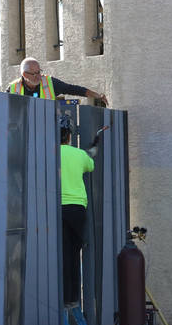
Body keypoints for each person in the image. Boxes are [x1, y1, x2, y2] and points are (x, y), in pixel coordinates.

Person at [59, 112, 95, 305]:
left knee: (60, 252)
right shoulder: (80, 155)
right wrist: (89, 153)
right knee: (74, 252)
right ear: (70, 135)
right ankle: (73, 297)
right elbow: (91, 165)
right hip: (77, 210)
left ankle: (61, 294)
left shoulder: (49, 152)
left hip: (57, 208)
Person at [6, 57, 108, 106]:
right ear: (24, 75)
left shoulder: (50, 82)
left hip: (47, 126)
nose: (38, 76)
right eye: (34, 74)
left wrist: (97, 96)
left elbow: (72, 89)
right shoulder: (13, 89)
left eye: (39, 72)